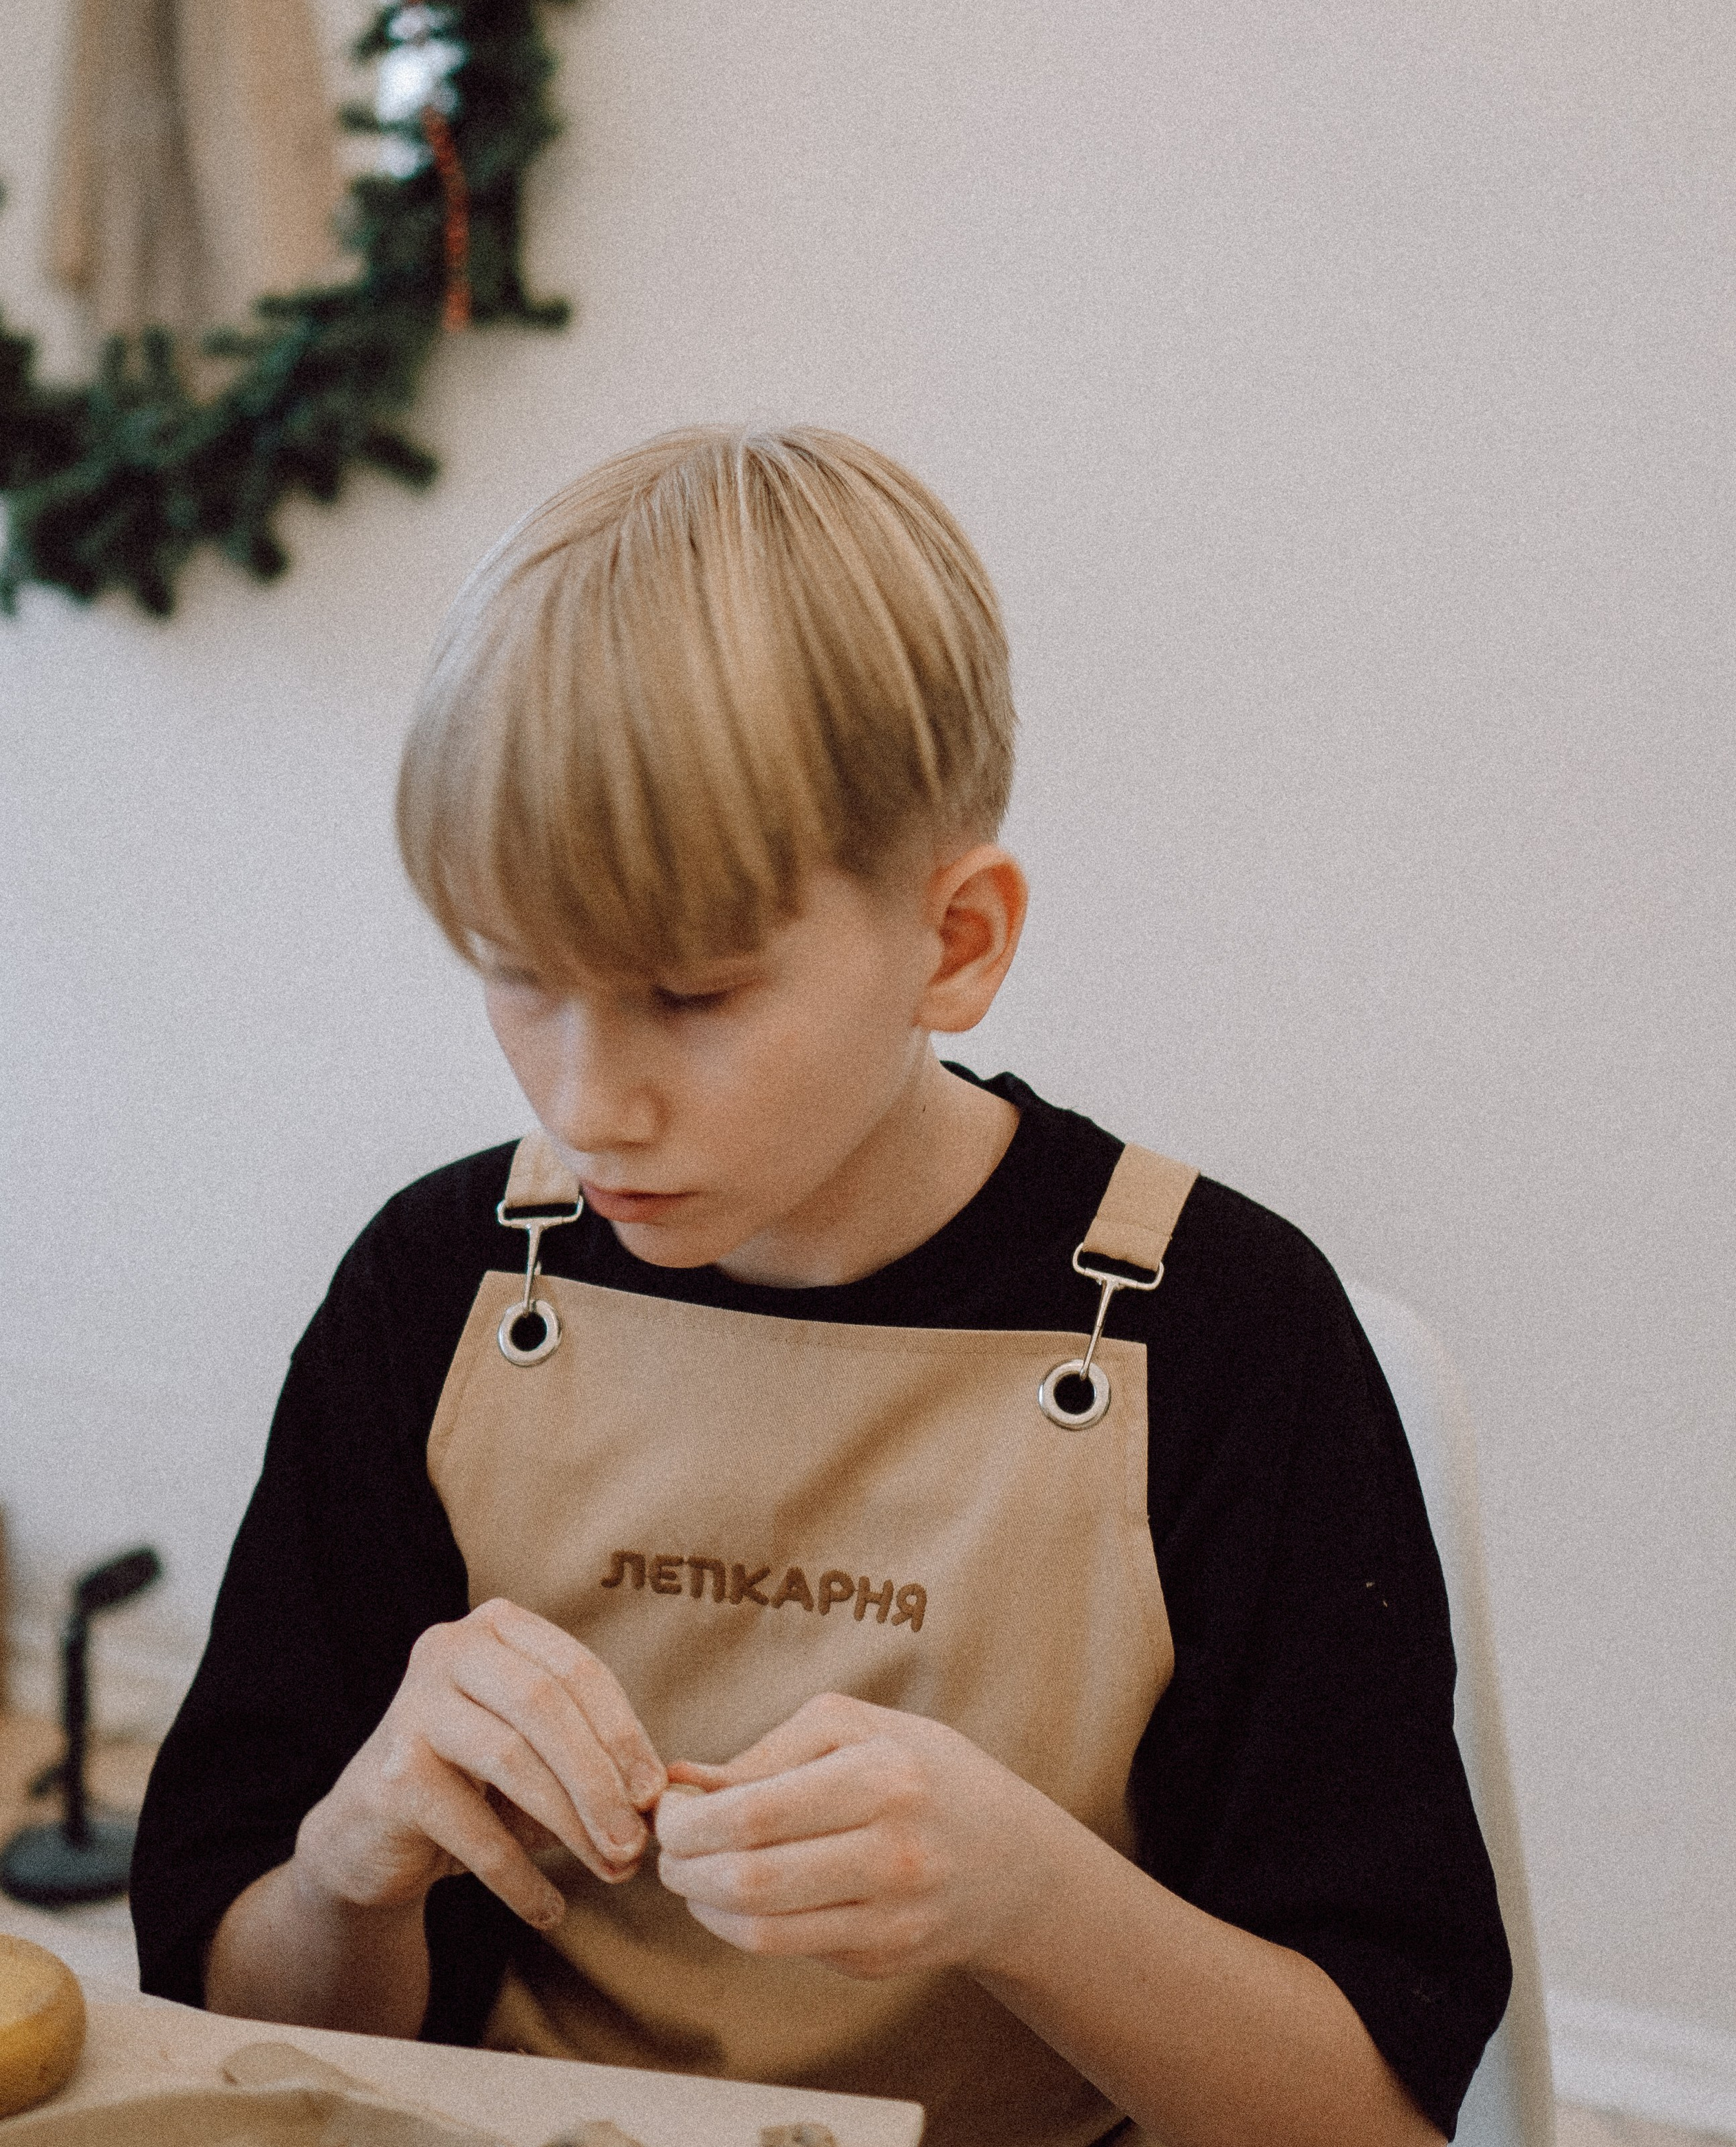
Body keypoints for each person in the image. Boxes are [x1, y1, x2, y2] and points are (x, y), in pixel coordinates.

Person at [131, 426, 1511, 2147]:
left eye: (691, 996)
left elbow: (1370, 2119)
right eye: (516, 979)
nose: (585, 1102)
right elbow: (235, 2037)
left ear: (953, 943)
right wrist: (350, 1867)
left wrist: (1028, 1897)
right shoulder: (435, 1292)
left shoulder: (1221, 1333)